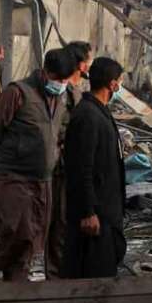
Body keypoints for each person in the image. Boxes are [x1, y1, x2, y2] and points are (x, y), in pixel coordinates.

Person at [0, 48, 75, 281]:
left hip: (43, 180)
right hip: (14, 176)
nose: (61, 84)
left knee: (33, 235)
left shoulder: (62, 97)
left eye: (65, 80)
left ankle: (16, 282)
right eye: (57, 79)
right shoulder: (17, 92)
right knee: (16, 230)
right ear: (45, 72)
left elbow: (59, 130)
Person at [61, 57, 126, 279]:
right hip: (95, 216)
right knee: (91, 277)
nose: (120, 85)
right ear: (112, 84)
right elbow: (81, 168)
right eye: (120, 81)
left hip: (106, 211)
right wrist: (88, 212)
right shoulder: (88, 116)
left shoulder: (99, 112)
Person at [47, 40, 93, 280]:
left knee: (67, 224)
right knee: (58, 225)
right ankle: (56, 278)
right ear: (81, 65)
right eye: (88, 61)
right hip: (57, 169)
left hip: (71, 168)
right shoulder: (60, 93)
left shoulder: (76, 93)